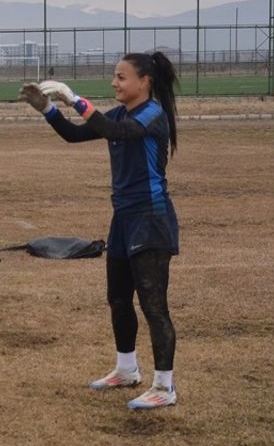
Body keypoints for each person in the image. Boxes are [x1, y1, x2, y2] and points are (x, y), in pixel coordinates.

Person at [19, 52, 180, 410]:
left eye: (121, 77)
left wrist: (73, 97)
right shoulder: (121, 113)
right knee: (119, 298)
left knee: (154, 308)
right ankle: (126, 370)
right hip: (123, 217)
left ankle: (165, 387)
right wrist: (46, 108)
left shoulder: (152, 115)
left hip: (151, 219)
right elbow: (75, 135)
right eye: (114, 76)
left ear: (145, 83)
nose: (114, 83)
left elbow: (116, 132)